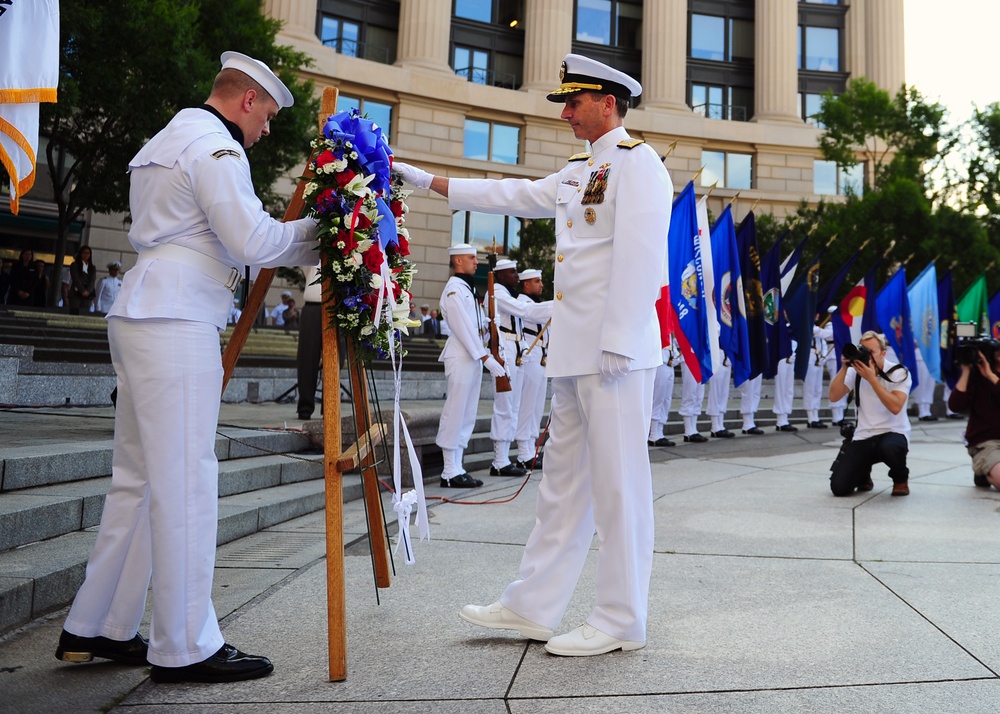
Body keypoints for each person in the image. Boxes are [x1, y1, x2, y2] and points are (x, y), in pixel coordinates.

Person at [396, 53, 671, 656]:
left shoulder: (639, 163)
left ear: (608, 103)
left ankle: (621, 618)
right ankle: (533, 605)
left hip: (613, 352)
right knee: (562, 488)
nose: (566, 113)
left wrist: (621, 339)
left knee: (620, 487)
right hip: (574, 354)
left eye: (574, 102)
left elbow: (643, 257)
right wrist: (425, 180)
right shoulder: (579, 170)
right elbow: (512, 193)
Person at [56, 51, 318, 684]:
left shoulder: (168, 136)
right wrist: (322, 231)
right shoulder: (216, 147)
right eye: (267, 117)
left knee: (140, 480)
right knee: (185, 481)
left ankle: (98, 626)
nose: (264, 132)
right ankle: (185, 645)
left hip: (150, 308)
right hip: (175, 317)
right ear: (248, 100)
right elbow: (251, 242)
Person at [434, 244, 501, 489]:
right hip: (462, 354)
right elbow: (461, 327)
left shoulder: (467, 288)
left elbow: (473, 325)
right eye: (471, 258)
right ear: (458, 261)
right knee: (456, 409)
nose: (476, 262)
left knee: (468, 412)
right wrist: (484, 356)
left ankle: (457, 467)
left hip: (472, 355)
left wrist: (488, 325)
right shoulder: (454, 289)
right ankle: (449, 470)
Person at [828, 331, 912, 497]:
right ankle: (863, 474)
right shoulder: (855, 371)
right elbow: (833, 396)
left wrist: (872, 379)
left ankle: (900, 479)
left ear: (883, 353)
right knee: (839, 488)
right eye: (863, 350)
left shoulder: (898, 372)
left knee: (891, 447)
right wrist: (845, 367)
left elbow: (895, 407)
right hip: (864, 435)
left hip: (893, 432)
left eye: (871, 352)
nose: (867, 356)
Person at [488, 259, 551, 477]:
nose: (517, 275)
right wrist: (560, 302)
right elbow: (526, 312)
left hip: (519, 351)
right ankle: (500, 459)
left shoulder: (507, 295)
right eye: (513, 272)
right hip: (506, 351)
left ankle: (517, 455)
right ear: (500, 275)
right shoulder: (497, 292)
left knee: (518, 407)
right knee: (507, 406)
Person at [947, 341, 1000, 488]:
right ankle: (985, 470)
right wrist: (966, 371)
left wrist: (991, 376)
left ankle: (986, 471)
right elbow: (955, 406)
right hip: (987, 442)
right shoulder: (976, 378)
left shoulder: (990, 376)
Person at [515, 268, 551, 466]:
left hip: (542, 356)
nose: (541, 285)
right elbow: (540, 315)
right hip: (530, 354)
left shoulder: (536, 304)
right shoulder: (522, 303)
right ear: (526, 283)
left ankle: (530, 449)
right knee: (527, 406)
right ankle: (523, 452)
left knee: (537, 407)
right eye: (537, 281)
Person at [296, 265, 323, 420]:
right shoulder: (313, 260)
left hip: (338, 309)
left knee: (335, 362)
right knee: (307, 359)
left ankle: (330, 407)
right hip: (313, 308)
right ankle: (305, 407)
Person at [648, 342, 677, 447]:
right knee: (658, 398)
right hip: (660, 361)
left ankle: (660, 432)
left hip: (669, 361)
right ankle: (653, 434)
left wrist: (675, 355)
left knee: (666, 399)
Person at [803, 321, 829, 429]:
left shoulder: (817, 328)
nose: (817, 316)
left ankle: (816, 416)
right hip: (810, 356)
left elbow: (823, 342)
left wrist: (824, 356)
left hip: (819, 357)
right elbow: (818, 333)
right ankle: (810, 417)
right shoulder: (806, 326)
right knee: (810, 388)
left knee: (818, 389)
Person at [679, 360, 707, 442]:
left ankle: (693, 429)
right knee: (690, 394)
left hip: (700, 356)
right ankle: (688, 431)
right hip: (689, 355)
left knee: (699, 395)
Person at [68, 245, 97, 314]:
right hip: (76, 292)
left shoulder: (92, 267)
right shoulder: (75, 265)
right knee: (74, 311)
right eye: (84, 253)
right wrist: (82, 290)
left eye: (88, 253)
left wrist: (88, 291)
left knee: (84, 312)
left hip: (88, 293)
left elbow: (92, 280)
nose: (85, 255)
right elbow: (75, 278)